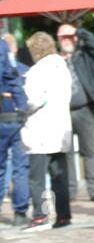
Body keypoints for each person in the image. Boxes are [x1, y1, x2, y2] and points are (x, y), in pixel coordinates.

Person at [18, 31, 73, 231]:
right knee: (60, 176)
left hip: (40, 129)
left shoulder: (38, 71)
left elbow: (32, 100)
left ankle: (40, 216)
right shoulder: (62, 67)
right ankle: (63, 215)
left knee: (37, 177)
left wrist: (20, 106)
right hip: (60, 128)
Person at [57, 23, 94, 203]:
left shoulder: (84, 55)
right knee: (67, 154)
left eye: (70, 37)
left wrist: (77, 31)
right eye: (63, 37)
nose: (67, 40)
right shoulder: (55, 60)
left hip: (85, 109)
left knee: (89, 151)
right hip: (63, 111)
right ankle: (70, 192)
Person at [0, 33, 31, 227]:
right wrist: (23, 106)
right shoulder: (2, 47)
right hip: (11, 115)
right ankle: (20, 212)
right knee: (20, 167)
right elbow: (11, 76)